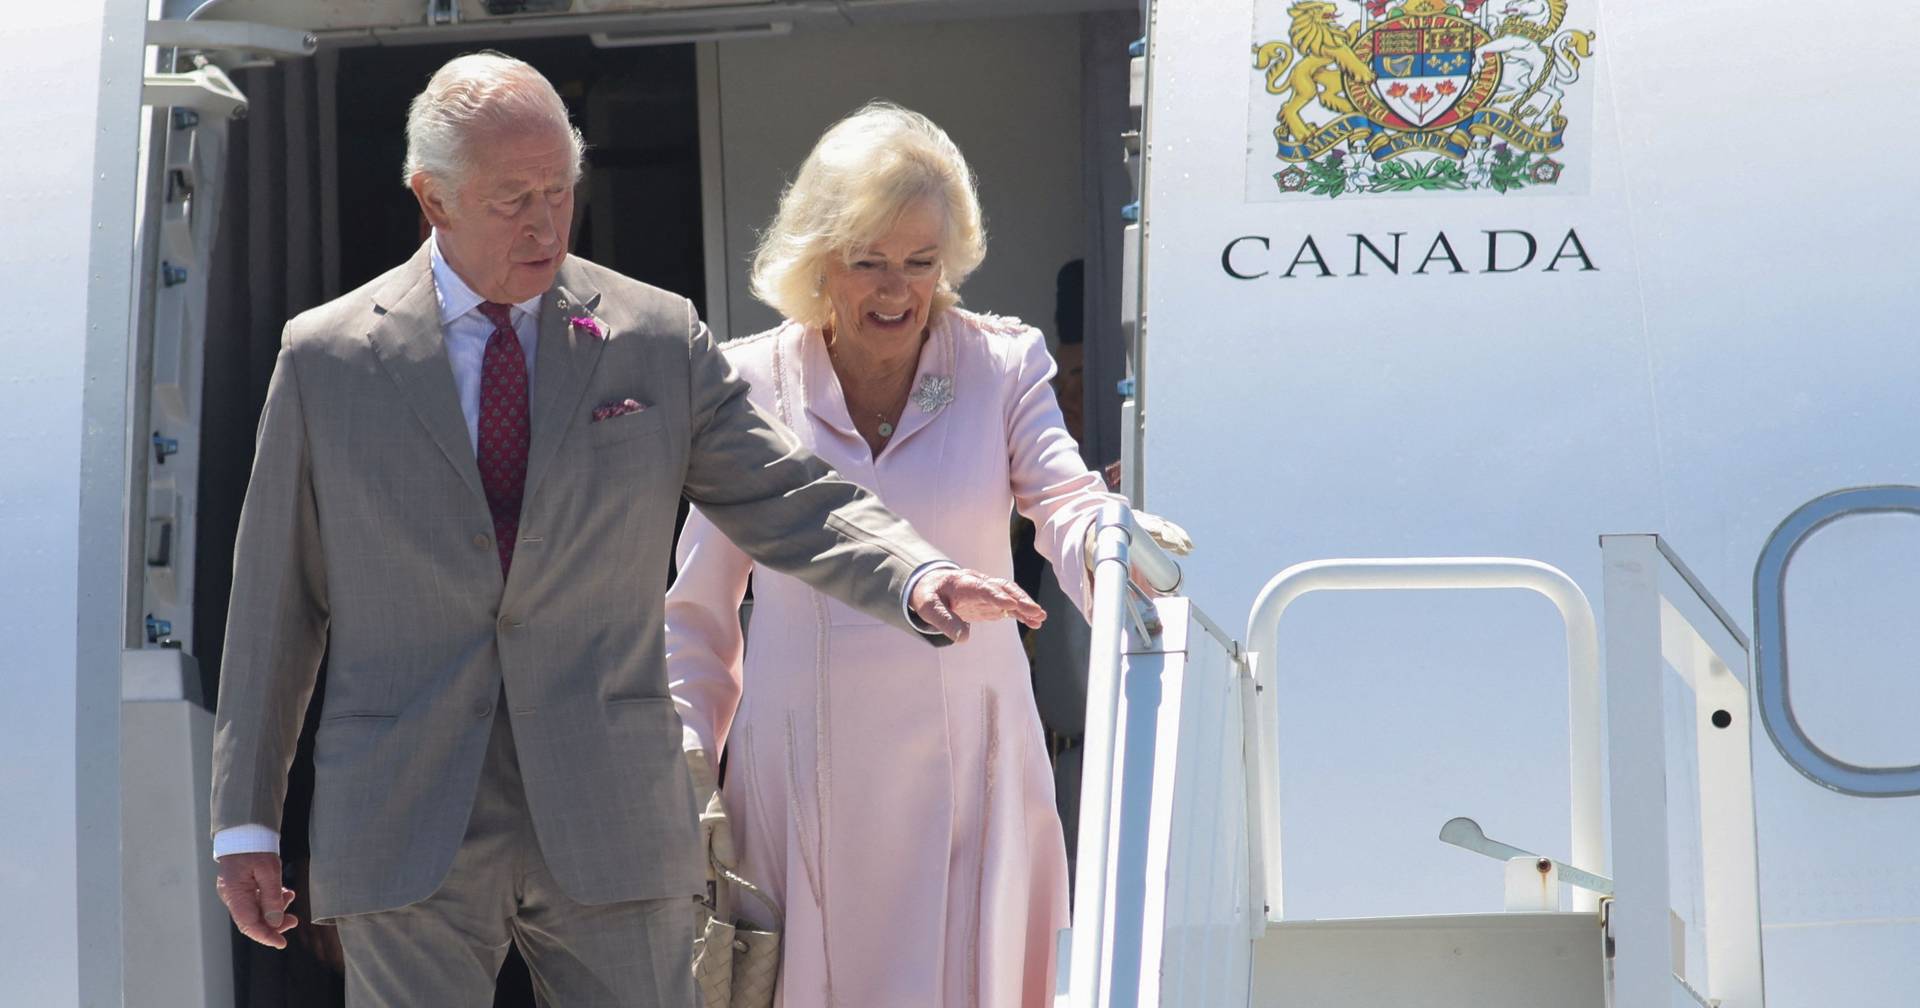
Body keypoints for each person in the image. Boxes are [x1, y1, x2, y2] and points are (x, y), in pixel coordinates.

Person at [208, 55, 1041, 1008]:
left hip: (611, 812)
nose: (546, 224)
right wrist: (247, 824)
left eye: (561, 191)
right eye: (514, 200)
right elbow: (275, 607)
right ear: (432, 198)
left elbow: (786, 491)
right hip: (402, 813)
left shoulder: (653, 336)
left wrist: (914, 575)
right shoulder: (327, 360)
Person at [666, 103, 1168, 1007]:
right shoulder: (749, 383)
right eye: (870, 262)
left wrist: (1105, 541)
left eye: (921, 262)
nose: (898, 290)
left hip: (973, 773)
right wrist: (687, 762)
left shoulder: (1002, 364)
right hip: (802, 788)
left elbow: (1061, 497)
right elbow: (697, 610)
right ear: (819, 260)